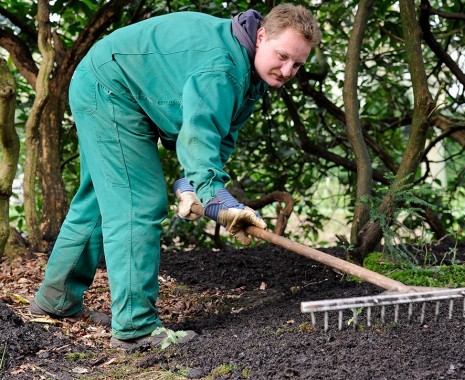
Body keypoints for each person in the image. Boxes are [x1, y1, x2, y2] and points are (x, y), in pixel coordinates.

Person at [29, 4, 321, 349]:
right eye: (283, 56)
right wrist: (215, 197)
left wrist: (190, 185)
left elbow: (219, 134)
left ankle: (55, 301)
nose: (288, 70)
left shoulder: (251, 70)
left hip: (120, 87)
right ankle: (136, 329)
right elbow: (197, 133)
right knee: (140, 202)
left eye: (298, 64)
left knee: (99, 200)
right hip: (111, 88)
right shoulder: (223, 69)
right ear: (261, 37)